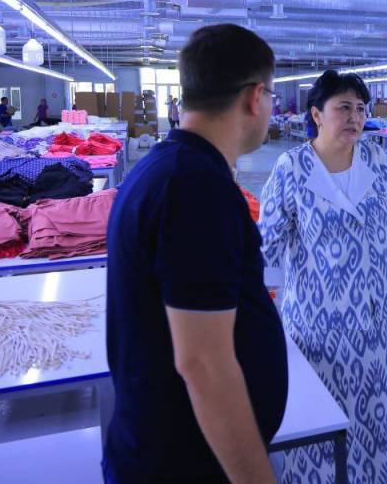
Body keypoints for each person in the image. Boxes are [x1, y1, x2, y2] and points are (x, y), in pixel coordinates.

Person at [104, 24, 288, 483]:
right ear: (255, 97)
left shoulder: (169, 168)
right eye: (272, 96)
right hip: (185, 464)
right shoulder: (195, 188)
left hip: (173, 450)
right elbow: (203, 364)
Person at [259, 69, 387, 484]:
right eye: (343, 108)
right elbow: (268, 244)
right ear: (317, 114)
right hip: (319, 322)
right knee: (324, 411)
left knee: (379, 403)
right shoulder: (292, 167)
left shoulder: (375, 159)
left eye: (360, 108)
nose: (355, 117)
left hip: (379, 314)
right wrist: (261, 316)